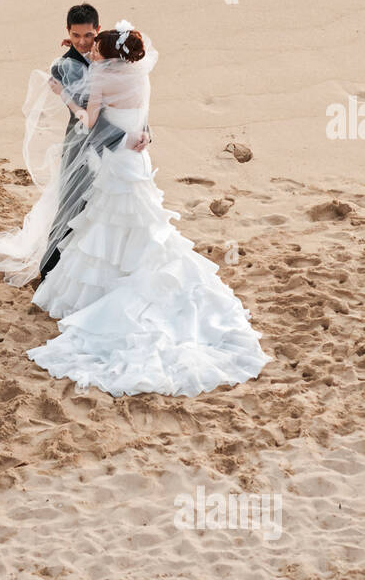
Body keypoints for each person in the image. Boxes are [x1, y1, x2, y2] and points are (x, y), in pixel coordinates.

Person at [27, 23, 270, 397]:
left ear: (109, 55)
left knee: (105, 224)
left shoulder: (102, 80)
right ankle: (139, 273)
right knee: (144, 224)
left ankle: (106, 291)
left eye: (97, 49)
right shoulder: (140, 77)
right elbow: (139, 120)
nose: (91, 52)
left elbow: (88, 122)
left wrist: (66, 97)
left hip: (113, 164)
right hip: (137, 162)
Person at [0, 2, 148, 286]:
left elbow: (131, 98)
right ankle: (50, 268)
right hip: (82, 146)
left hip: (117, 151)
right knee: (70, 205)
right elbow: (87, 112)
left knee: (104, 211)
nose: (82, 43)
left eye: (87, 36)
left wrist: (144, 130)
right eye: (75, 36)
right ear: (67, 34)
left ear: (98, 31)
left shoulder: (114, 57)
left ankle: (98, 272)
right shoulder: (63, 66)